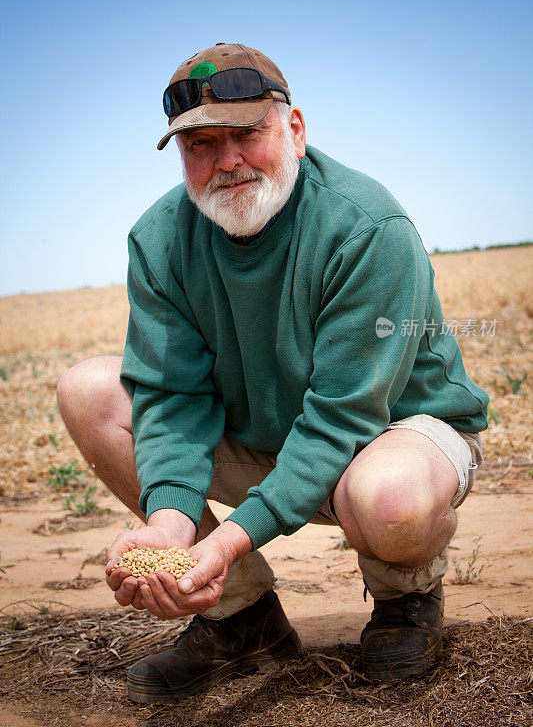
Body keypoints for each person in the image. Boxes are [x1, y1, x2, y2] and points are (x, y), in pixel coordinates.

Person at [56, 42, 489, 703]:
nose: (226, 160)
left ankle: (407, 600)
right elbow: (172, 400)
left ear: (294, 129)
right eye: (200, 143)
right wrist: (171, 526)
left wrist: (224, 540)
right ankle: (240, 621)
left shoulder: (366, 226)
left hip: (386, 441)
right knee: (89, 390)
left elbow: (342, 416)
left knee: (389, 496)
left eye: (248, 132)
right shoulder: (160, 240)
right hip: (267, 443)